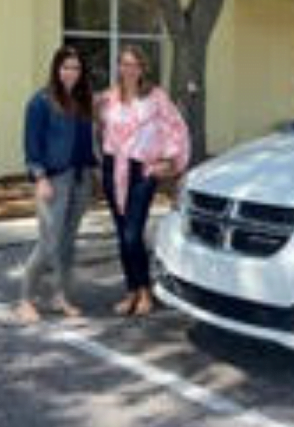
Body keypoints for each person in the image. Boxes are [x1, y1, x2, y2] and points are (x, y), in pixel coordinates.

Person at [98, 46, 189, 316]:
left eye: (134, 64)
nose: (129, 69)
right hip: (114, 168)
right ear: (118, 67)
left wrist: (171, 161)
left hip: (143, 170)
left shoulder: (156, 97)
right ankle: (131, 291)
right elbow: (97, 126)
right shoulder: (109, 98)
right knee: (121, 234)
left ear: (142, 68)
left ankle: (146, 291)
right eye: (124, 64)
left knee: (132, 233)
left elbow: (177, 127)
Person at [16, 46, 98, 324]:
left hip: (81, 178)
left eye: (76, 68)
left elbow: (89, 142)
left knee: (67, 243)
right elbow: (31, 145)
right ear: (56, 69)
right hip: (54, 179)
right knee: (48, 242)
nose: (71, 73)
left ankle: (60, 296)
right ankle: (25, 299)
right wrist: (40, 178)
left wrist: (93, 174)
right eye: (66, 67)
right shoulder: (40, 102)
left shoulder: (85, 101)